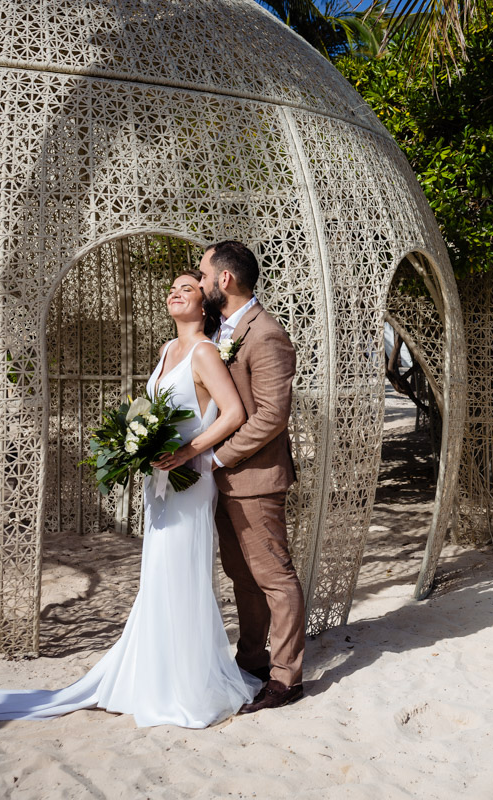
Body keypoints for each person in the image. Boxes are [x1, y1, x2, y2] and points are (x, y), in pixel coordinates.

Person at [0, 271, 260, 728]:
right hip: (161, 481)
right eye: (171, 287)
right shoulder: (169, 350)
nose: (174, 291)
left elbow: (234, 413)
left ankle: (186, 683)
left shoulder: (205, 352)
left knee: (180, 572)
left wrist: (188, 450)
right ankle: (155, 673)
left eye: (186, 287)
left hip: (189, 481)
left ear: (205, 305)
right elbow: (155, 414)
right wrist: (140, 447)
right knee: (159, 573)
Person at [181, 240, 305, 714]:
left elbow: (272, 416)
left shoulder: (266, 332)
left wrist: (216, 458)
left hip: (254, 477)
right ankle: (251, 660)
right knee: (242, 576)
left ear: (224, 280)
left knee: (274, 577)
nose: (199, 279)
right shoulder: (221, 329)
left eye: (203, 273)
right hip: (225, 481)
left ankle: (287, 678)